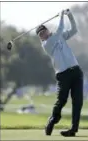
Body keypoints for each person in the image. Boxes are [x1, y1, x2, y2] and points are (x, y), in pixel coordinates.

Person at [36, 9, 83, 137]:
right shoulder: (46, 44)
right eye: (40, 34)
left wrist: (70, 16)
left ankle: (73, 129)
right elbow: (60, 29)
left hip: (76, 71)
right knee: (61, 100)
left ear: (46, 30)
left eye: (43, 31)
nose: (42, 35)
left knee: (77, 101)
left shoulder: (59, 36)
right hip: (63, 75)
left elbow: (74, 30)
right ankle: (53, 120)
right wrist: (62, 16)